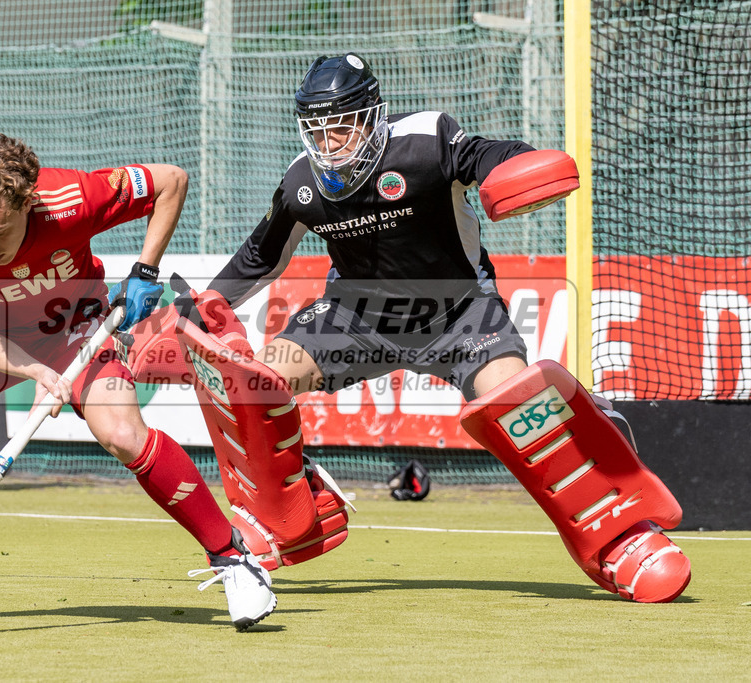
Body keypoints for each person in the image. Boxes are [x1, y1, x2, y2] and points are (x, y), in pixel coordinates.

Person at [202, 53, 691, 602]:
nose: (329, 144)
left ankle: (623, 535)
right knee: (255, 383)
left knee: (518, 404)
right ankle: (293, 507)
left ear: (371, 117)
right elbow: (260, 255)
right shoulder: (302, 182)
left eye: (340, 128)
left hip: (460, 313)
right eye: (317, 132)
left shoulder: (426, 140)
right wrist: (207, 303)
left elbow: (488, 155)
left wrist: (519, 167)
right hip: (357, 318)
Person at [0, 128, 275, 631]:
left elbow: (171, 182)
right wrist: (37, 371)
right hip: (0, 338)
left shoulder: (69, 198)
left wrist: (146, 271)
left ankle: (233, 558)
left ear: (27, 203)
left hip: (76, 328)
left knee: (122, 434)